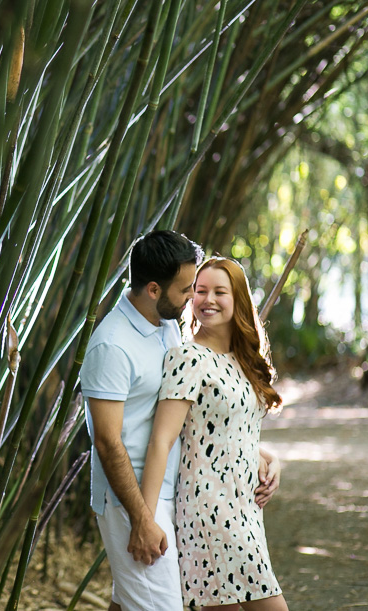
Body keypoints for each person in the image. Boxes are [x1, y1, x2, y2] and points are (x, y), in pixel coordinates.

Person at [81, 232, 279, 611]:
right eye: (188, 288)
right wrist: (141, 518)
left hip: (174, 492)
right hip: (134, 496)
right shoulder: (112, 345)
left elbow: (200, 421)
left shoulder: (166, 324)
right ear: (154, 289)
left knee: (130, 603)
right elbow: (107, 442)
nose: (194, 297)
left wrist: (262, 454)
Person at [140, 257, 287, 610]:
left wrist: (270, 458)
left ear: (238, 299)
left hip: (245, 508)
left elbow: (231, 430)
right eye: (200, 290)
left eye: (220, 291)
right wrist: (144, 520)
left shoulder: (242, 359)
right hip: (211, 512)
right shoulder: (188, 357)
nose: (208, 299)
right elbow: (163, 439)